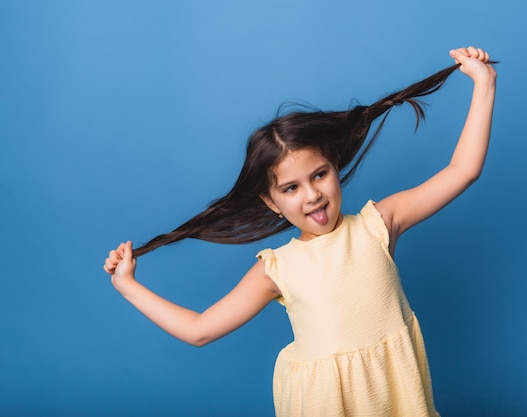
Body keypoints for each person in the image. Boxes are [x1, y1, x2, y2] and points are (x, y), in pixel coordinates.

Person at [104, 46, 496, 417]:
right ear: (272, 201)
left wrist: (483, 83)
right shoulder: (277, 269)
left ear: (335, 169)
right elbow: (200, 330)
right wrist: (128, 286)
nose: (312, 196)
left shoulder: (380, 223)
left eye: (319, 175)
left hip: (395, 396)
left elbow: (463, 170)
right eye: (291, 188)